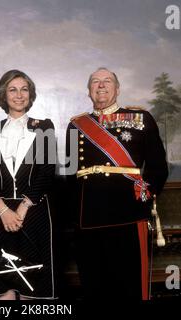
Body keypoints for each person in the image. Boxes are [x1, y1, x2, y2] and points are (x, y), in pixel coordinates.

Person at [65, 67, 168, 300]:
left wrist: (145, 195)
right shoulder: (77, 125)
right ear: (89, 91)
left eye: (107, 81)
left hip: (128, 214)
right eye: (95, 82)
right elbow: (71, 174)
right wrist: (74, 213)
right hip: (88, 218)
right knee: (95, 285)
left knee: (130, 284)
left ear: (117, 89)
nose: (101, 85)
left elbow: (158, 166)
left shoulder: (141, 119)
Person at [0, 70, 57, 300]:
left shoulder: (44, 127)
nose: (19, 95)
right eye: (13, 89)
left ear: (30, 95)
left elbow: (47, 172)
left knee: (32, 288)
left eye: (24, 89)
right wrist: (3, 210)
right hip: (0, 216)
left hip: (34, 213)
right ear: (4, 95)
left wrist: (22, 208)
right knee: (3, 289)